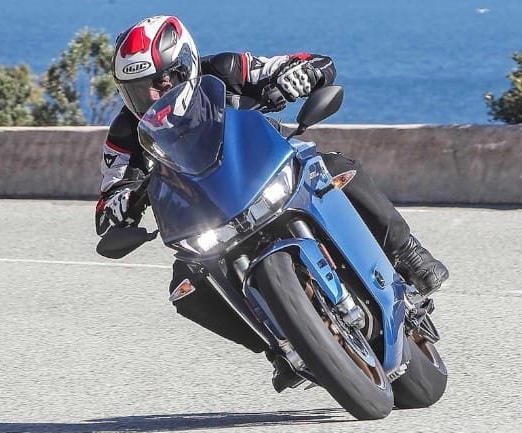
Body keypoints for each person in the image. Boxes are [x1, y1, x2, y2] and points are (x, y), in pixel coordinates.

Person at [95, 15, 449, 392]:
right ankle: (280, 347)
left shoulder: (227, 70)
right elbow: (107, 204)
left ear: (185, 64)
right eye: (136, 90)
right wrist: (120, 204)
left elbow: (314, 63)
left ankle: (407, 252)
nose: (152, 96)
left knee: (336, 170)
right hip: (208, 216)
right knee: (186, 285)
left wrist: (298, 75)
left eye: (160, 81)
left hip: (269, 173)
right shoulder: (125, 135)